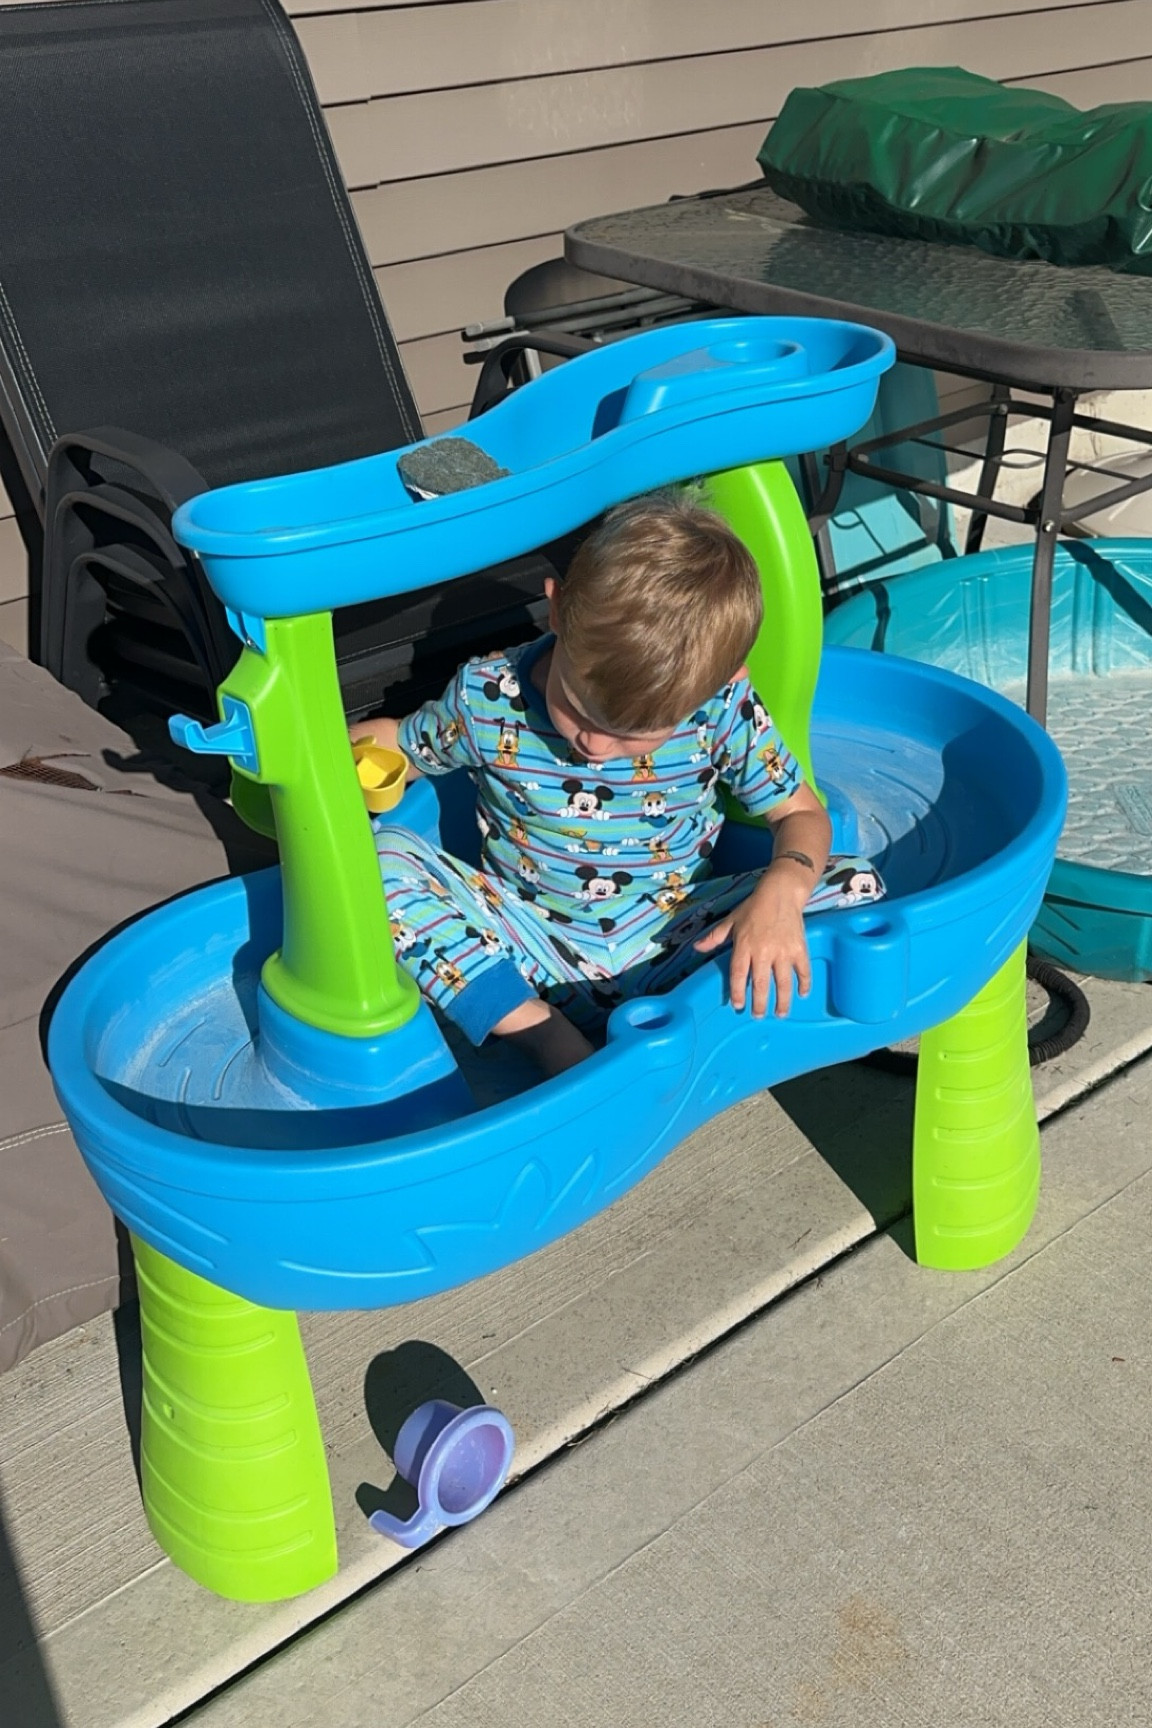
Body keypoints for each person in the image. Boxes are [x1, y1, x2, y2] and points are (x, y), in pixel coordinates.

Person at [350, 493, 884, 1077]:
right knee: (376, 861)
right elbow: (401, 742)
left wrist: (781, 894)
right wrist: (327, 755)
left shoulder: (719, 709)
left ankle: (689, 1017)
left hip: (675, 941)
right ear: (556, 613)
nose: (594, 746)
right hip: (532, 946)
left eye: (638, 735)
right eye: (575, 707)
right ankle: (543, 1035)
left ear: (726, 681)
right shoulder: (487, 698)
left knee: (854, 881)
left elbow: (801, 814)